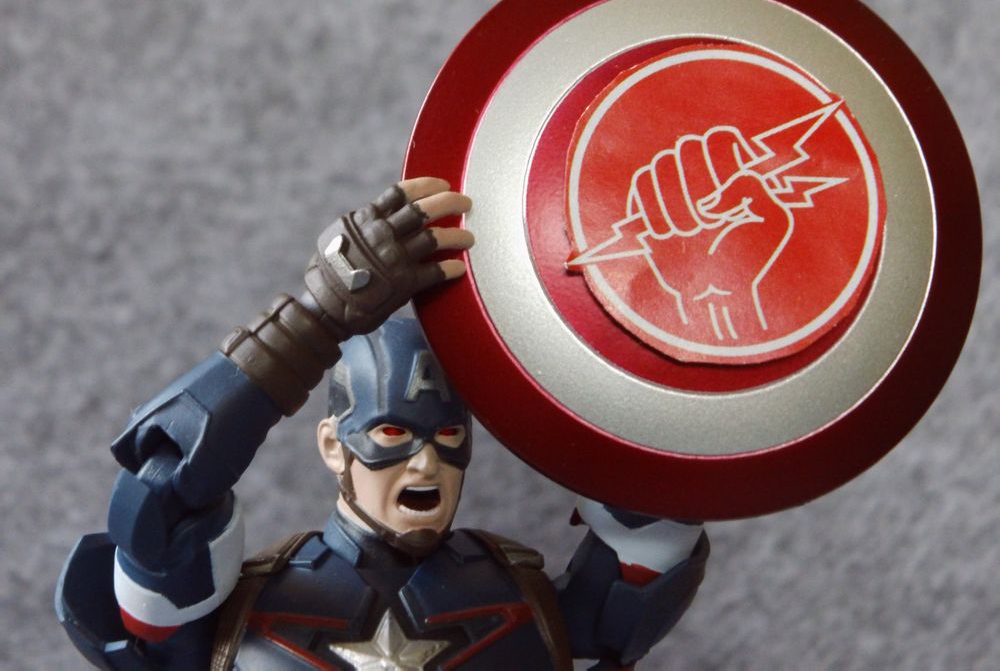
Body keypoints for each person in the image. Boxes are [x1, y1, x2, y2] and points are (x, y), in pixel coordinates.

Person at [57, 178, 709, 670]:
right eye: (392, 436)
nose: (425, 464)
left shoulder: (526, 601)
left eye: (447, 439)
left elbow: (650, 541)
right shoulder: (242, 612)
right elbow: (158, 501)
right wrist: (311, 322)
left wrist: (630, 346)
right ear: (332, 446)